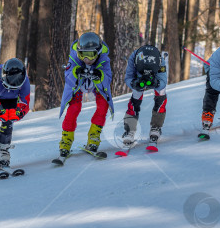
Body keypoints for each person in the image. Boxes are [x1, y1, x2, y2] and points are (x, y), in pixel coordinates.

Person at [58, 32, 114, 160]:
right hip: (79, 84)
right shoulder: (74, 57)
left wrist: (99, 76)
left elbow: (108, 78)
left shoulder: (104, 58)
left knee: (103, 104)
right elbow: (68, 78)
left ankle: (94, 136)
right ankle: (66, 139)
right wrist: (75, 72)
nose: (87, 59)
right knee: (74, 107)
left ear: (98, 52)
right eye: (83, 54)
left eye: (91, 55)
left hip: (95, 84)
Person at [122, 45, 168, 145]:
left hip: (156, 78)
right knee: (135, 98)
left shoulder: (160, 61)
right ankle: (129, 130)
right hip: (138, 78)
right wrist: (134, 83)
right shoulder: (133, 59)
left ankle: (156, 127)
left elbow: (163, 81)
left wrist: (157, 83)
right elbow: (128, 77)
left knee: (161, 94)